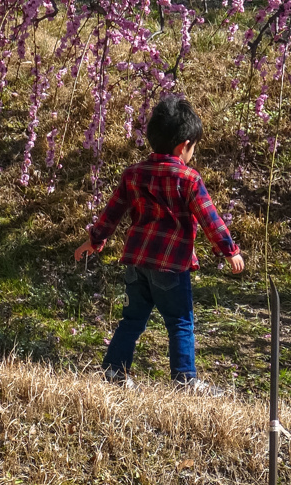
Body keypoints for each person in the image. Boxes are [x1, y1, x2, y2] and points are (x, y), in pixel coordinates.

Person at [74, 95, 244, 391]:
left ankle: (114, 372)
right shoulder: (188, 178)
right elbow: (209, 218)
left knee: (132, 319)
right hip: (171, 266)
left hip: (136, 263)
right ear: (184, 146)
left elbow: (111, 212)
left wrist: (94, 241)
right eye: (194, 147)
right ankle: (184, 379)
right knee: (179, 321)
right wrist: (229, 250)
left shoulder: (133, 174)